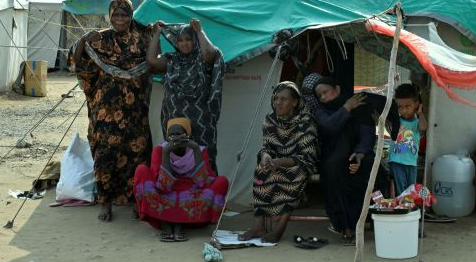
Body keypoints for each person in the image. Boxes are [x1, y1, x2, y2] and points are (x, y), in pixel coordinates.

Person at [71, 0, 153, 222]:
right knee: (105, 154)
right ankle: (105, 202)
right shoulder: (101, 39)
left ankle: (135, 200)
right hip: (105, 110)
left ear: (131, 15)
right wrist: (82, 40)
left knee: (138, 155)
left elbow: (154, 56)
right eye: (116, 15)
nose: (120, 19)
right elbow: (76, 61)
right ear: (110, 15)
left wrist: (156, 31)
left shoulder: (142, 38)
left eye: (124, 14)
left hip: (136, 110)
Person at [239, 82, 319, 243]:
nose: (278, 103)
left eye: (283, 99)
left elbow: (309, 156)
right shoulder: (270, 120)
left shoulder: (306, 122)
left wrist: (281, 161)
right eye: (276, 98)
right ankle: (258, 225)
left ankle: (280, 227)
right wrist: (266, 157)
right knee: (261, 171)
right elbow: (267, 147)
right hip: (276, 162)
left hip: (300, 164)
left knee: (295, 175)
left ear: (295, 102)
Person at [133, 117, 229, 242]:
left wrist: (194, 149)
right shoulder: (160, 150)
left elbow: (203, 182)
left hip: (190, 191)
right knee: (141, 170)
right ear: (167, 137)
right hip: (166, 191)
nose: (175, 138)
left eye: (178, 134)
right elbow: (163, 186)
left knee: (222, 181)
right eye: (171, 135)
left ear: (187, 135)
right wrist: (167, 152)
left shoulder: (199, 150)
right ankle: (165, 223)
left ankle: (180, 224)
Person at [147, 18, 224, 168]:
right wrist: (156, 34)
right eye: (180, 40)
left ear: (195, 40)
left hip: (201, 124)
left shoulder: (202, 59)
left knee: (204, 163)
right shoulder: (171, 59)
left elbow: (209, 53)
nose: (184, 43)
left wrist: (199, 31)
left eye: (188, 39)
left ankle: (205, 191)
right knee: (176, 161)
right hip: (174, 123)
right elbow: (152, 60)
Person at [311, 76, 375, 246]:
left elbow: (368, 134)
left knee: (371, 169)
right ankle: (346, 227)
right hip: (333, 159)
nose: (323, 97)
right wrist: (347, 107)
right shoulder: (321, 113)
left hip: (359, 156)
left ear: (337, 89)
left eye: (326, 92)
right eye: (320, 95)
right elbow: (330, 127)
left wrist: (360, 154)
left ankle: (369, 220)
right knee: (334, 170)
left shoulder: (360, 108)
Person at [388, 83, 427, 196]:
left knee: (411, 190)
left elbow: (424, 127)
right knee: (401, 192)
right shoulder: (396, 121)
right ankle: (403, 210)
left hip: (412, 163)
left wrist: (420, 113)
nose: (404, 110)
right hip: (397, 161)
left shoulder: (417, 123)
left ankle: (409, 209)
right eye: (400, 107)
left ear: (416, 105)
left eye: (407, 106)